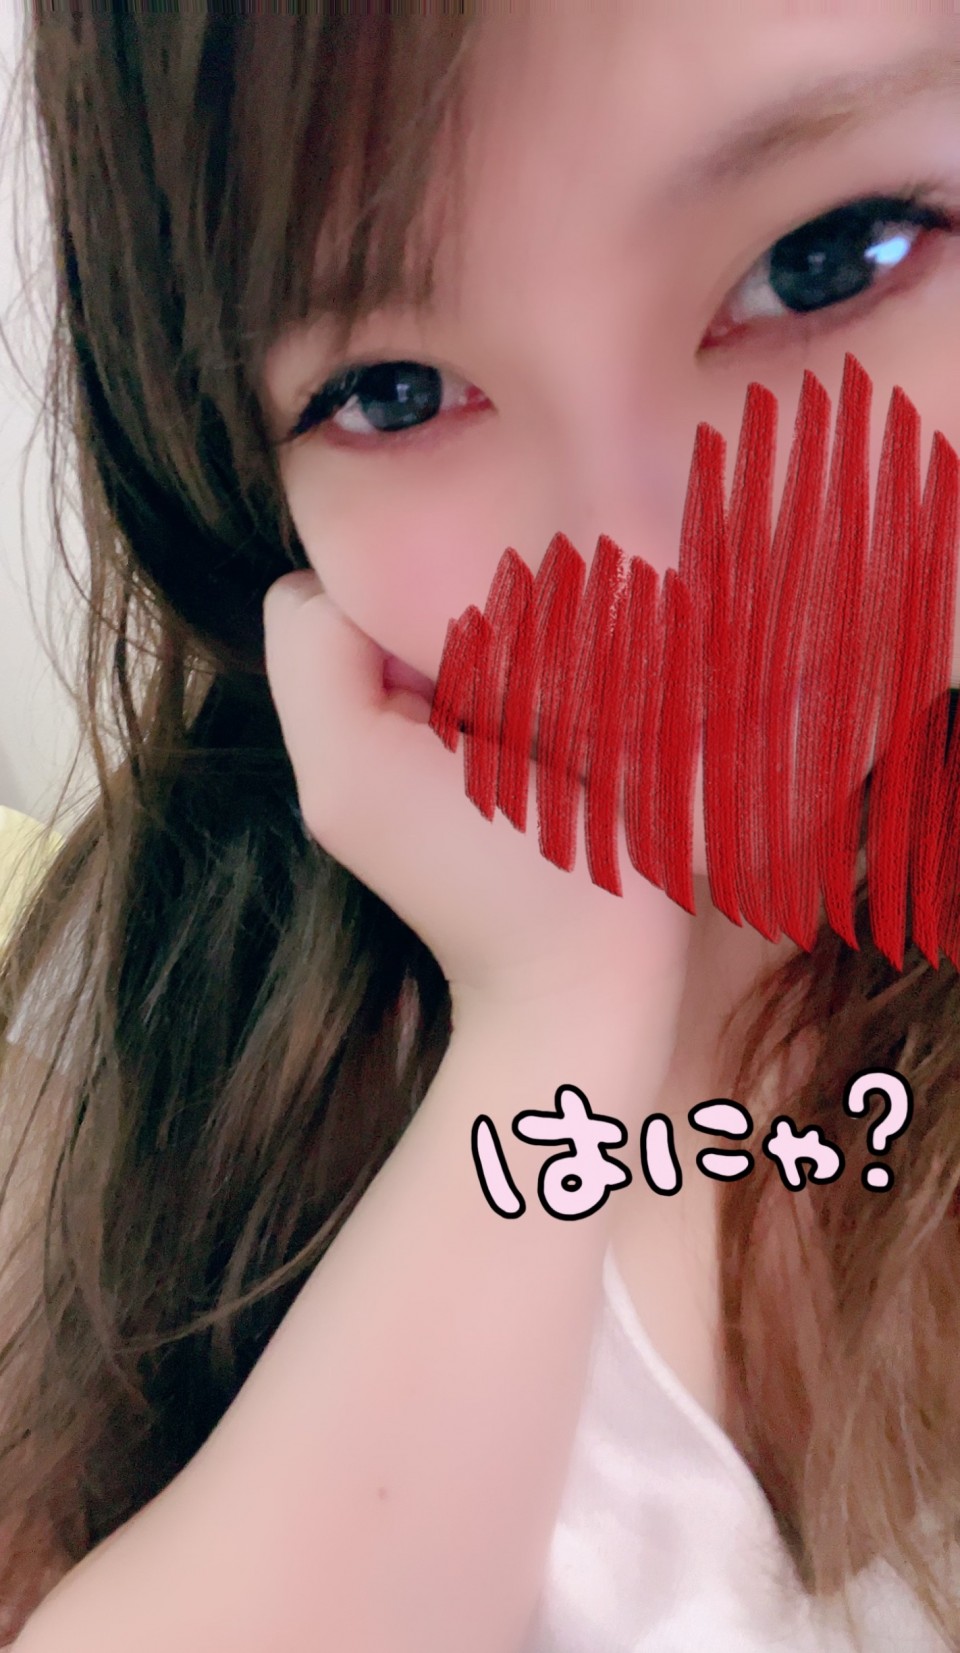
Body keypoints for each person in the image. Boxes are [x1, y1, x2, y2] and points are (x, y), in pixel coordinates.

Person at [1, 6, 960, 1649]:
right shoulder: (168, 970)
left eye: (829, 260)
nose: (641, 572)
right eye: (394, 392)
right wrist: (550, 1011)